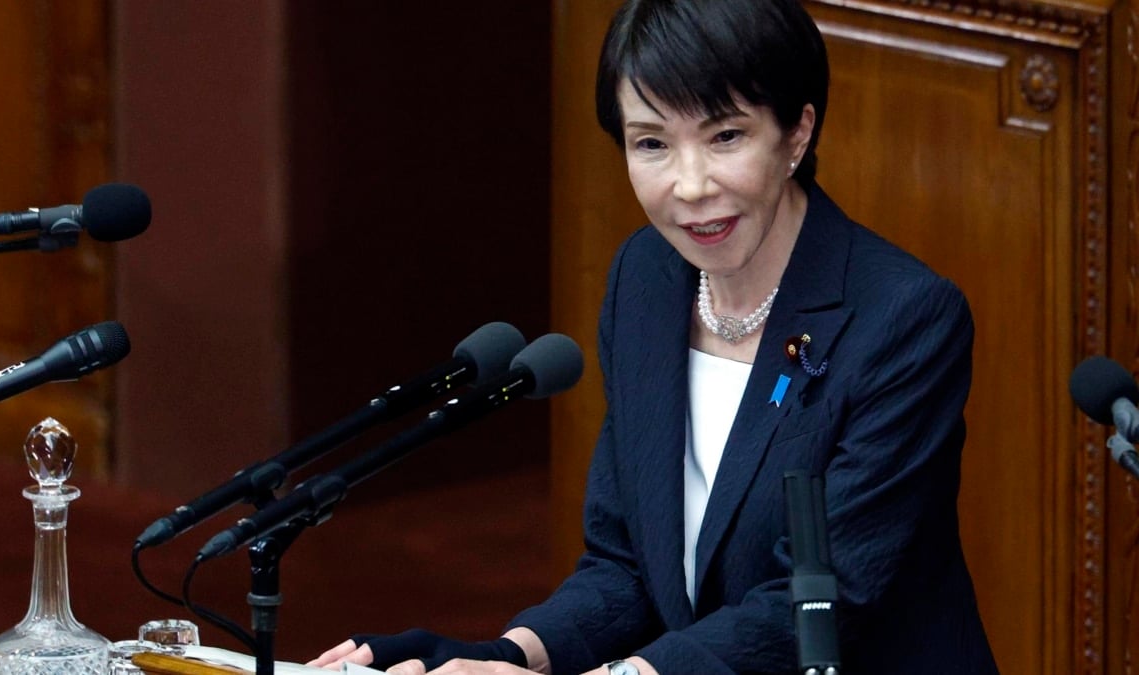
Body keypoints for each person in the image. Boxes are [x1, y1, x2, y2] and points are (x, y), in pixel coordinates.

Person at [309, 0, 999, 672]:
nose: (690, 186)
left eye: (725, 136)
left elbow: (818, 602)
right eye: (652, 144)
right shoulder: (647, 279)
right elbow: (626, 567)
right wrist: (505, 656)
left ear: (797, 133)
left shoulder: (903, 318)